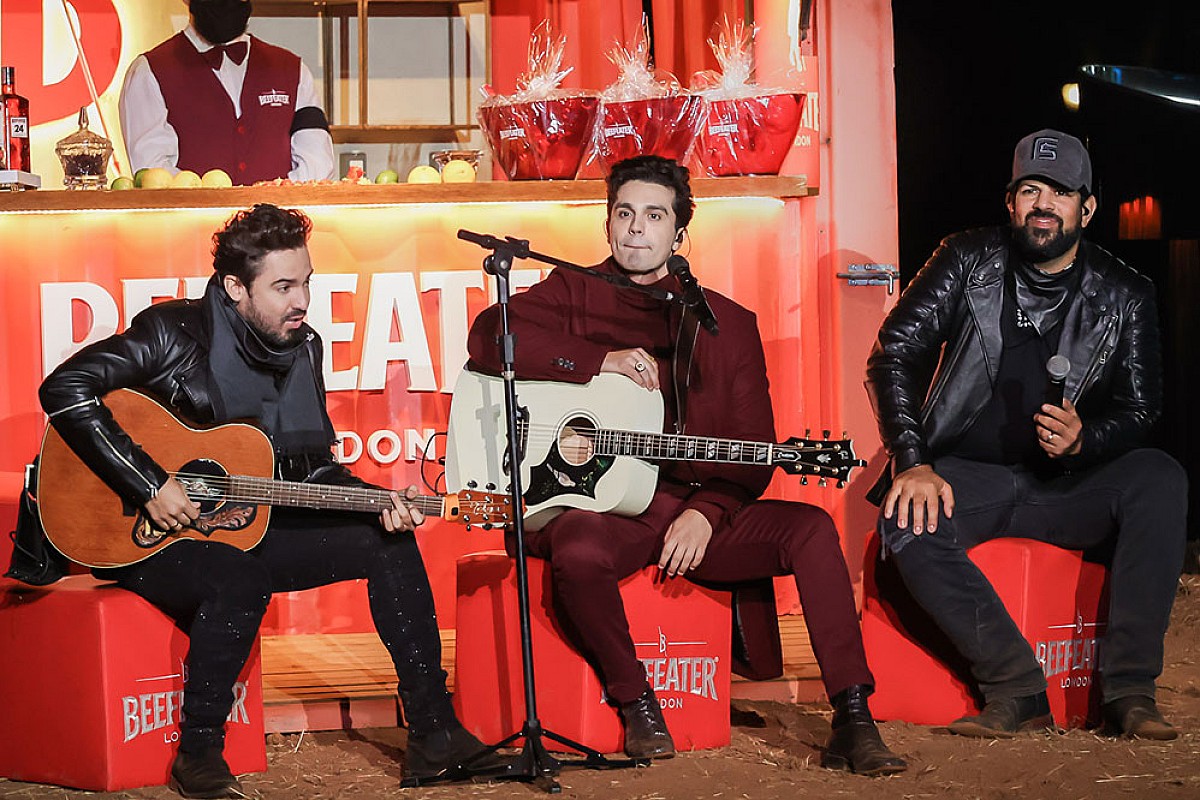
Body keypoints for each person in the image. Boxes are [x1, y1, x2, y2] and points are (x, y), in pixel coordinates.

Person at [465, 155, 906, 776]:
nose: (636, 230)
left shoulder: (728, 325)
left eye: (653, 216)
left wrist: (707, 512)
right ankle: (637, 701)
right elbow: (487, 337)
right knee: (578, 551)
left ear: (679, 233)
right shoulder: (575, 291)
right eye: (624, 214)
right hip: (607, 510)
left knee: (809, 530)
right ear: (608, 223)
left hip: (691, 509)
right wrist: (596, 363)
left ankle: (854, 718)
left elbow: (754, 447)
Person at [39, 204, 493, 798]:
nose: (301, 300)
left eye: (306, 281)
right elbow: (64, 388)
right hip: (140, 531)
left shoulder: (304, 348)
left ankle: (434, 733)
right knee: (238, 577)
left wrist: (373, 500)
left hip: (245, 523)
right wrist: (150, 484)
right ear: (234, 287)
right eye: (283, 286)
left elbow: (313, 469)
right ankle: (199, 751)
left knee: (386, 539)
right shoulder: (172, 334)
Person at [865, 128, 1187, 740]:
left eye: (1060, 192)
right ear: (1010, 202)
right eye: (1030, 190)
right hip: (969, 477)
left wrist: (1084, 441)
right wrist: (912, 460)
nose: (1044, 205)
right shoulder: (963, 259)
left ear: (1086, 208)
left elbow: (1143, 409)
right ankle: (1017, 690)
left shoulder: (1126, 294)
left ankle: (1128, 693)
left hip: (1067, 485)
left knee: (1160, 478)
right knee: (907, 518)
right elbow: (893, 355)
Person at [118, 0, 336, 184]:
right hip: (191, 232)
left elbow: (318, 168)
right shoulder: (149, 72)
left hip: (278, 231)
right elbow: (156, 177)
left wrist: (269, 214)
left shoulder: (293, 70)